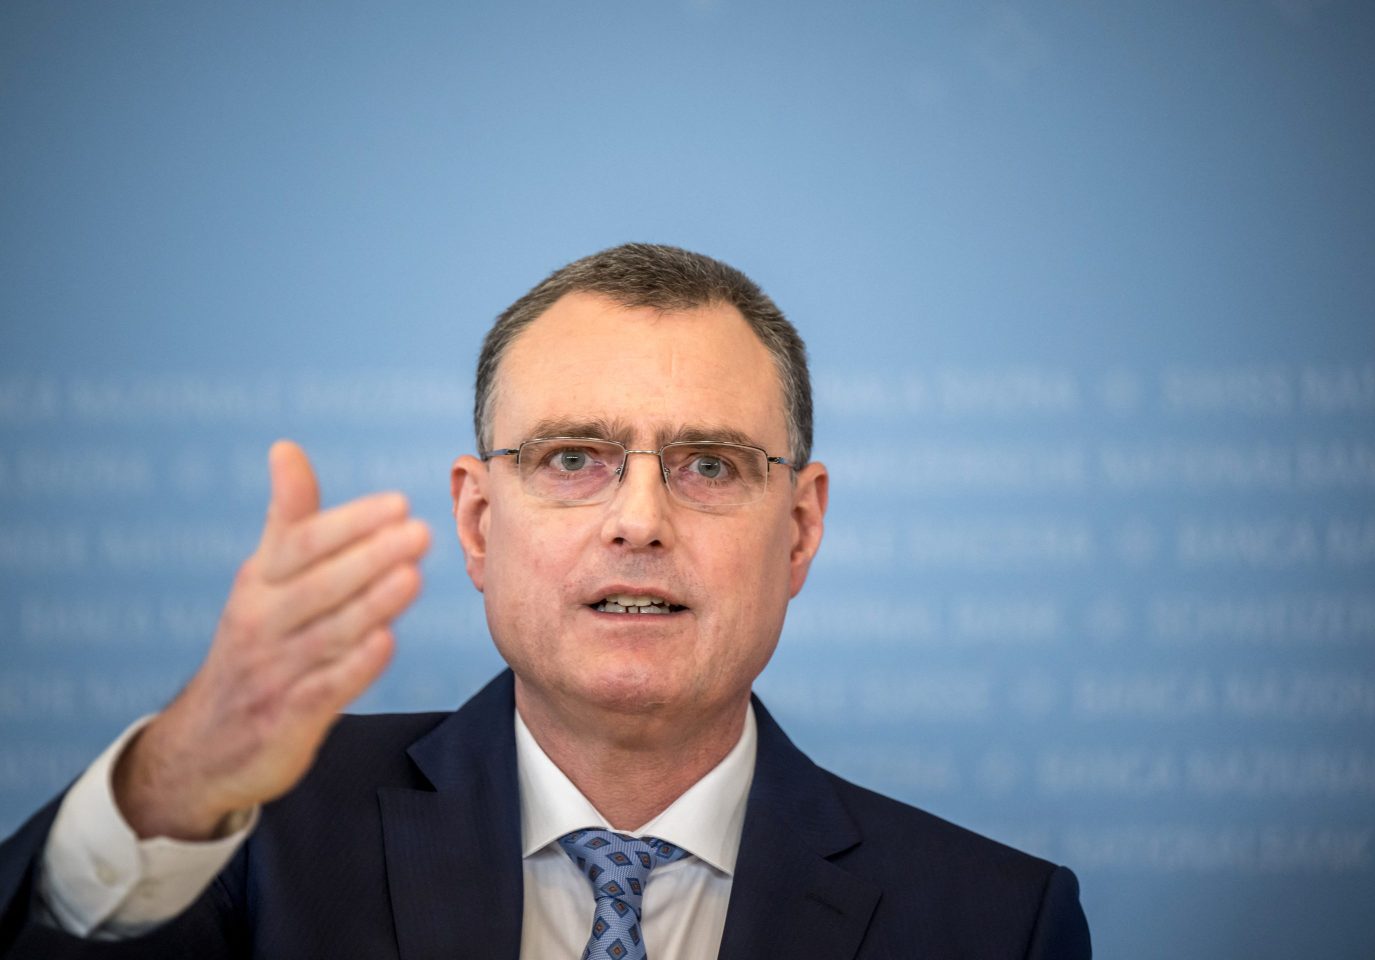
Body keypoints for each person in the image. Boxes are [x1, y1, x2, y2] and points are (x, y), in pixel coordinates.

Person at [0, 243, 1091, 959]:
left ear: (799, 529)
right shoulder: (258, 835)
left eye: (709, 465)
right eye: (576, 457)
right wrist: (177, 776)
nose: (640, 519)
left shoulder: (994, 922)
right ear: (478, 522)